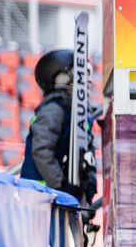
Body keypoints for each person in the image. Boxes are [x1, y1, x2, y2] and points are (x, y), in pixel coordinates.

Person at [20, 49, 95, 204]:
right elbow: (42, 151)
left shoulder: (79, 113)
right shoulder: (54, 110)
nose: (86, 81)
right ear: (61, 77)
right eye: (80, 74)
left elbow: (86, 151)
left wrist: (88, 184)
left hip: (53, 195)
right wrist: (61, 185)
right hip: (38, 197)